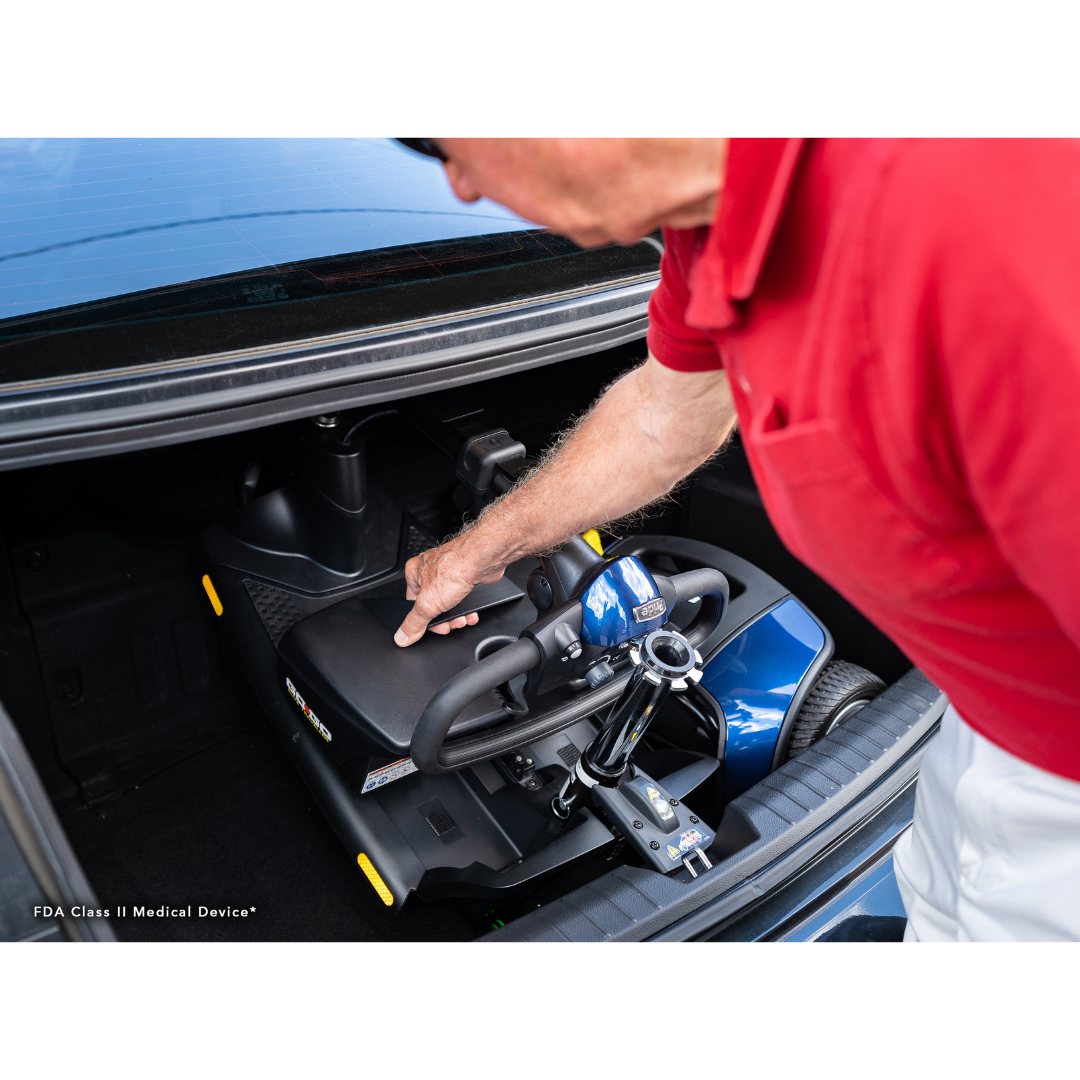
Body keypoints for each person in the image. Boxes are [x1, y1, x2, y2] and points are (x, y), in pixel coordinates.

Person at [392, 139, 1080, 941]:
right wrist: (477, 553)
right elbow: (661, 415)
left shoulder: (986, 250)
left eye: (448, 141)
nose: (460, 187)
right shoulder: (716, 219)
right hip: (988, 720)